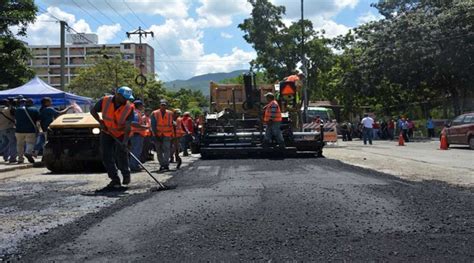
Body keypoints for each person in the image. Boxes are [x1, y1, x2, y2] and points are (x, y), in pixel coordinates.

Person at [90, 86, 134, 189]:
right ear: (118, 95)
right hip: (107, 132)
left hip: (121, 133)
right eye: (124, 97)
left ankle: (126, 175)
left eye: (128, 98)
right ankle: (115, 179)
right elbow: (93, 111)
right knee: (106, 156)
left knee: (121, 155)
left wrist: (125, 141)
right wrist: (100, 122)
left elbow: (128, 126)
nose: (126, 100)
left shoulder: (129, 107)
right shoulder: (105, 101)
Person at [151, 99, 174, 171]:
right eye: (162, 105)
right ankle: (162, 164)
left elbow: (172, 122)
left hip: (167, 134)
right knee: (159, 150)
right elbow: (153, 125)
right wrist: (155, 135)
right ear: (160, 105)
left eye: (164, 105)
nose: (163, 106)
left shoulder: (170, 113)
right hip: (158, 134)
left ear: (166, 105)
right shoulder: (154, 113)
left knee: (167, 149)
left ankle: (166, 164)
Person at [15, 98, 40, 164]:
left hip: (19, 130)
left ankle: (20, 159)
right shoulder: (35, 110)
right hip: (30, 130)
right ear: (32, 103)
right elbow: (38, 121)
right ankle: (28, 152)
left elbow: (15, 119)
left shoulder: (18, 110)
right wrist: (38, 129)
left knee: (19, 145)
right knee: (30, 143)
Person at [129, 100, 149, 172]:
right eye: (142, 105)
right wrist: (144, 127)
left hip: (137, 134)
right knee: (136, 151)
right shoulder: (136, 113)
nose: (143, 107)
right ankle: (134, 166)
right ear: (139, 106)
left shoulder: (137, 112)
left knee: (137, 150)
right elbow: (133, 123)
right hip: (136, 134)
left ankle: (136, 165)